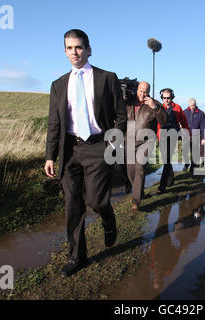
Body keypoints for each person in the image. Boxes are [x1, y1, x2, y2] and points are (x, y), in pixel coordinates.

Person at [44, 29, 127, 277]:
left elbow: (121, 117)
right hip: (69, 149)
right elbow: (54, 123)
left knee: (96, 200)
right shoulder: (58, 85)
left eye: (79, 47)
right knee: (73, 205)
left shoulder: (107, 78)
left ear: (88, 50)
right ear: (65, 51)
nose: (74, 52)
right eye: (69, 48)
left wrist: (112, 145)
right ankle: (76, 257)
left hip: (97, 146)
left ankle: (108, 218)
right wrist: (50, 155)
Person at [126, 81, 166, 211]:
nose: (142, 94)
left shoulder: (155, 104)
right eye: (140, 91)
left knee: (139, 169)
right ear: (137, 90)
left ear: (149, 92)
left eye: (145, 92)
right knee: (130, 171)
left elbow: (165, 120)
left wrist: (155, 107)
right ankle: (139, 190)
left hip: (146, 142)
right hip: (130, 141)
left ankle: (136, 200)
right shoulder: (129, 102)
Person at [157, 88, 190, 193]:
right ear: (162, 98)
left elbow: (184, 122)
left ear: (172, 97)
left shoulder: (178, 108)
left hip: (173, 136)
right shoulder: (159, 108)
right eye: (164, 98)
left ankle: (162, 185)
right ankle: (170, 179)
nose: (166, 100)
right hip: (162, 136)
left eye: (169, 98)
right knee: (165, 160)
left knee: (167, 160)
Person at [183, 98, 205, 173]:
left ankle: (193, 169)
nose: (192, 107)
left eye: (193, 106)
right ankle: (186, 164)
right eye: (190, 106)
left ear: (195, 104)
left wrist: (203, 138)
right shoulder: (185, 112)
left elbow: (203, 126)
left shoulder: (201, 113)